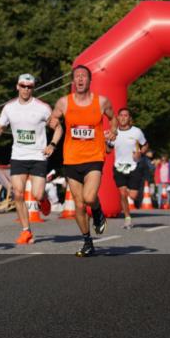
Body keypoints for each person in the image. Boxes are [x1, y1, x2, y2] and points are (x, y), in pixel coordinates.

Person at [48, 65, 116, 257]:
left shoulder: (101, 102)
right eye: (77, 77)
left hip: (94, 157)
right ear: (73, 81)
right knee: (78, 204)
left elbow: (113, 118)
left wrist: (114, 131)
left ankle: (97, 211)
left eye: (83, 77)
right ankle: (87, 241)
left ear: (89, 81)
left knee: (89, 198)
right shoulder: (64, 102)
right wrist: (53, 122)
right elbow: (54, 118)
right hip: (71, 158)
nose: (80, 80)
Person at [0, 74, 56, 245]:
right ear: (17, 86)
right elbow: (1, 125)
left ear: (33, 88)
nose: (26, 89)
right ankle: (26, 231)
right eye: (23, 85)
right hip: (18, 155)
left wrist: (52, 145)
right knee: (17, 193)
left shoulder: (43, 108)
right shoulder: (9, 108)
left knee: (37, 194)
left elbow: (59, 127)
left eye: (29, 86)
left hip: (38, 156)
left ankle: (43, 200)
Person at [109, 107, 148, 229]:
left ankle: (137, 194)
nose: (123, 118)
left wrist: (140, 153)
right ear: (118, 118)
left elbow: (145, 145)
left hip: (134, 166)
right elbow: (108, 150)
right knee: (122, 193)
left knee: (133, 196)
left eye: (126, 115)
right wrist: (108, 143)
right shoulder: (114, 132)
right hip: (119, 166)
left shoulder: (137, 132)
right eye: (121, 115)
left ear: (130, 119)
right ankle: (127, 218)